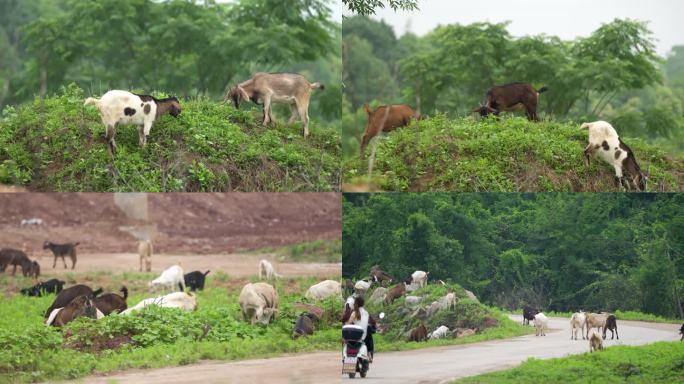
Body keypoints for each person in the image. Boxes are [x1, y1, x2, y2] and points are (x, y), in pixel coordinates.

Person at [343, 296, 375, 362]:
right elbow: (372, 322)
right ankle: (369, 354)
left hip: (354, 336)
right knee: (368, 332)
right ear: (363, 304)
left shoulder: (354, 313)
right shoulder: (366, 313)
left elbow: (347, 323)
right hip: (363, 337)